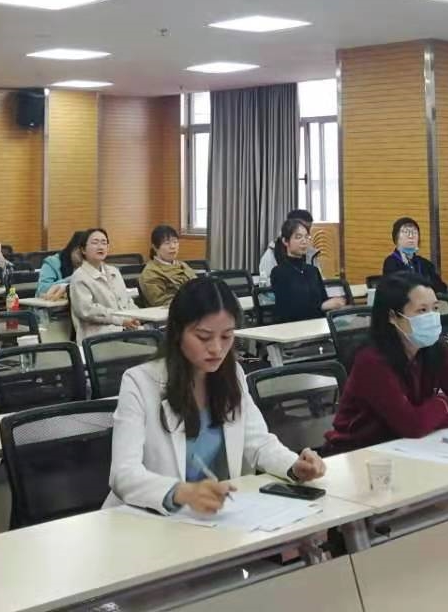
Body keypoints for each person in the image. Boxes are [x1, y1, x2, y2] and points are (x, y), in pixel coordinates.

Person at [107, 276, 326, 513]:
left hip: (214, 515)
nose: (217, 348)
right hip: (150, 517)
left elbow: (258, 443)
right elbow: (123, 473)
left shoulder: (233, 374)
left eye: (226, 336)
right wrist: (182, 492)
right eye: (203, 337)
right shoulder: (139, 382)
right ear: (178, 332)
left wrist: (293, 466)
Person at [325, 271, 448, 452]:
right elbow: (412, 426)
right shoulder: (371, 360)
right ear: (393, 316)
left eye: (435, 308)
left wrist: (423, 419)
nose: (431, 317)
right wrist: (442, 403)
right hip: (357, 451)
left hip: (408, 447)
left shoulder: (437, 348)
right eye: (422, 310)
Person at [71, 228, 142, 339]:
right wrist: (121, 320)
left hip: (125, 329)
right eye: (95, 243)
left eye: (104, 243)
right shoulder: (79, 277)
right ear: (83, 250)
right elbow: (88, 311)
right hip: (97, 335)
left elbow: (127, 300)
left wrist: (137, 316)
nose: (100, 247)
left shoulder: (114, 271)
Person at [270, 218, 345, 323]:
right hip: (292, 327)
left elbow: (323, 300)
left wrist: (334, 303)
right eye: (298, 237)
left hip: (318, 325)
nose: (304, 241)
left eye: (306, 237)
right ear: (285, 241)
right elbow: (287, 309)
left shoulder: (313, 271)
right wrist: (322, 306)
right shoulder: (279, 272)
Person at [381, 216, 446, 292]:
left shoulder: (426, 264)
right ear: (396, 239)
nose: (411, 236)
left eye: (414, 233)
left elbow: (441, 288)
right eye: (405, 232)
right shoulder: (391, 263)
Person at [138, 224, 195, 308]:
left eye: (175, 242)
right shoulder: (150, 273)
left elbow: (198, 287)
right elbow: (160, 302)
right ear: (155, 247)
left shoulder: (183, 265)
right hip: (171, 312)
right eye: (167, 243)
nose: (173, 246)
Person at [257, 208, 317, 281]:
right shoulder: (271, 255)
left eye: (308, 230)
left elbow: (319, 281)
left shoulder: (310, 254)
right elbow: (265, 284)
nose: (306, 233)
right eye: (298, 236)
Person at [38, 229, 87, 299]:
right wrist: (70, 279)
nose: (83, 260)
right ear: (71, 249)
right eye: (80, 254)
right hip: (53, 304)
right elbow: (42, 290)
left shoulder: (92, 264)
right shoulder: (52, 262)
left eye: (86, 256)